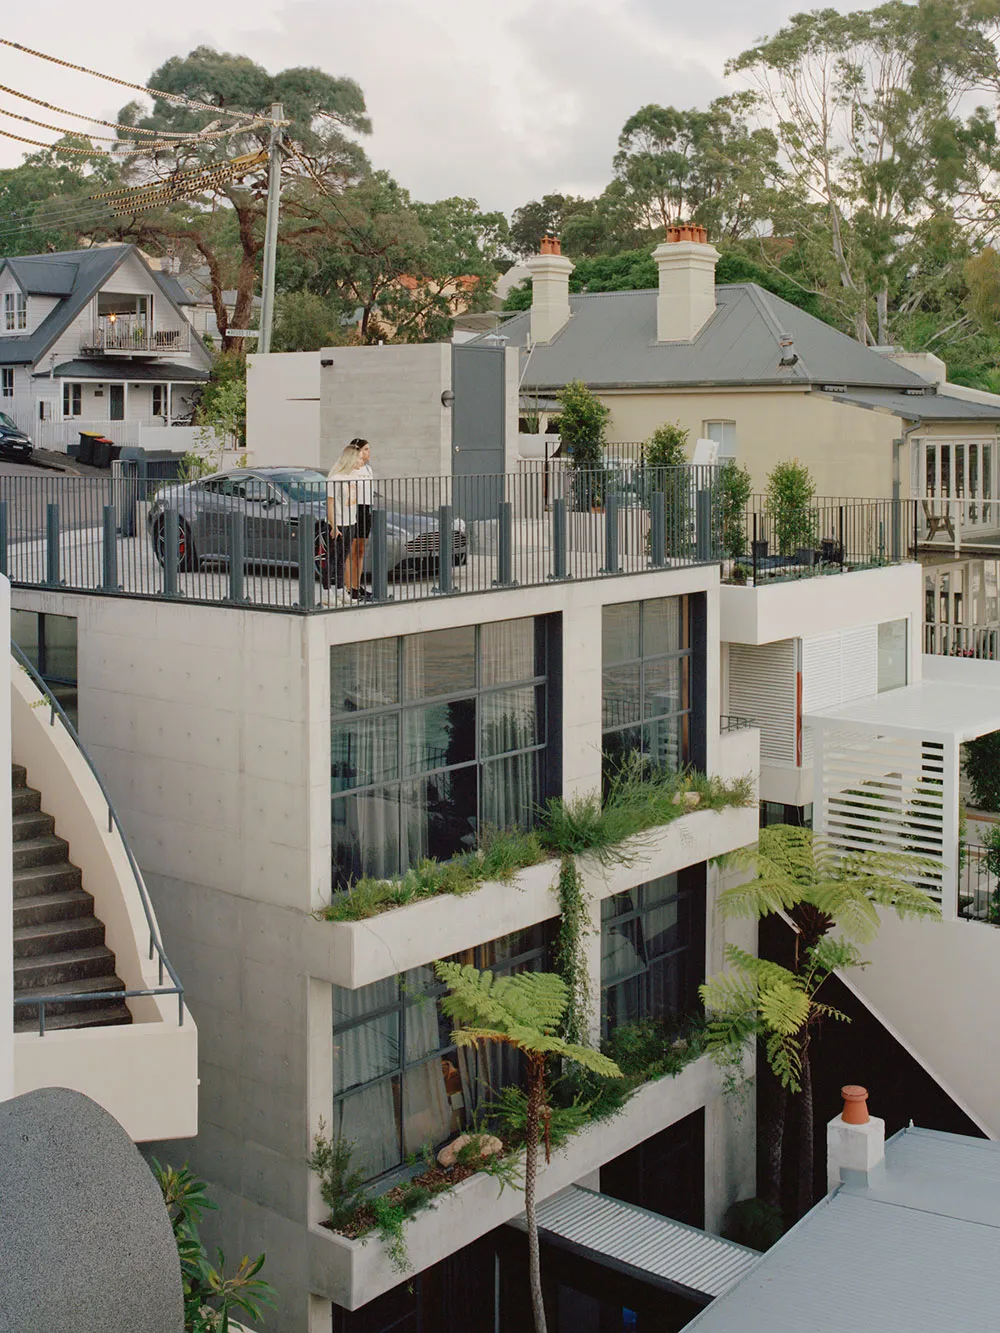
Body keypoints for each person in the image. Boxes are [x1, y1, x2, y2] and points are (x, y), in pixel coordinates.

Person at [326, 440, 371, 603]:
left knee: (343, 556)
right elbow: (331, 502)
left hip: (351, 520)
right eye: (359, 457)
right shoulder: (336, 478)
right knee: (334, 558)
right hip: (339, 522)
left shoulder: (353, 477)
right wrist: (333, 525)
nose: (362, 459)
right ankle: (327, 592)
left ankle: (343, 591)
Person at [347, 438, 374, 596]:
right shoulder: (351, 469)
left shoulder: (368, 469)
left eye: (368, 449)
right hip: (354, 508)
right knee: (352, 549)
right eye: (365, 449)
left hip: (366, 508)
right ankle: (349, 587)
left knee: (361, 549)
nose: (368, 452)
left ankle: (357, 585)